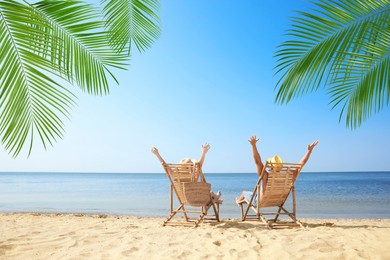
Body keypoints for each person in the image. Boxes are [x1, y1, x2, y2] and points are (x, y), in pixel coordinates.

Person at [235, 135, 319, 204]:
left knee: (244, 192)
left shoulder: (266, 176)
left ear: (270, 166)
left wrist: (253, 145)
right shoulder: (289, 175)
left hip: (260, 201)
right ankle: (242, 201)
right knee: (251, 195)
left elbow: (257, 162)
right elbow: (301, 164)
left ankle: (238, 201)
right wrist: (309, 151)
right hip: (277, 201)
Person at [151, 143, 222, 203]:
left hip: (184, 199)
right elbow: (199, 165)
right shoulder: (194, 176)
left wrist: (157, 154)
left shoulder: (176, 176)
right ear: (191, 168)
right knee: (209, 192)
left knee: (210, 193)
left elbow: (165, 166)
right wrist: (203, 153)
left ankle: (215, 197)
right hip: (196, 199)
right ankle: (216, 198)